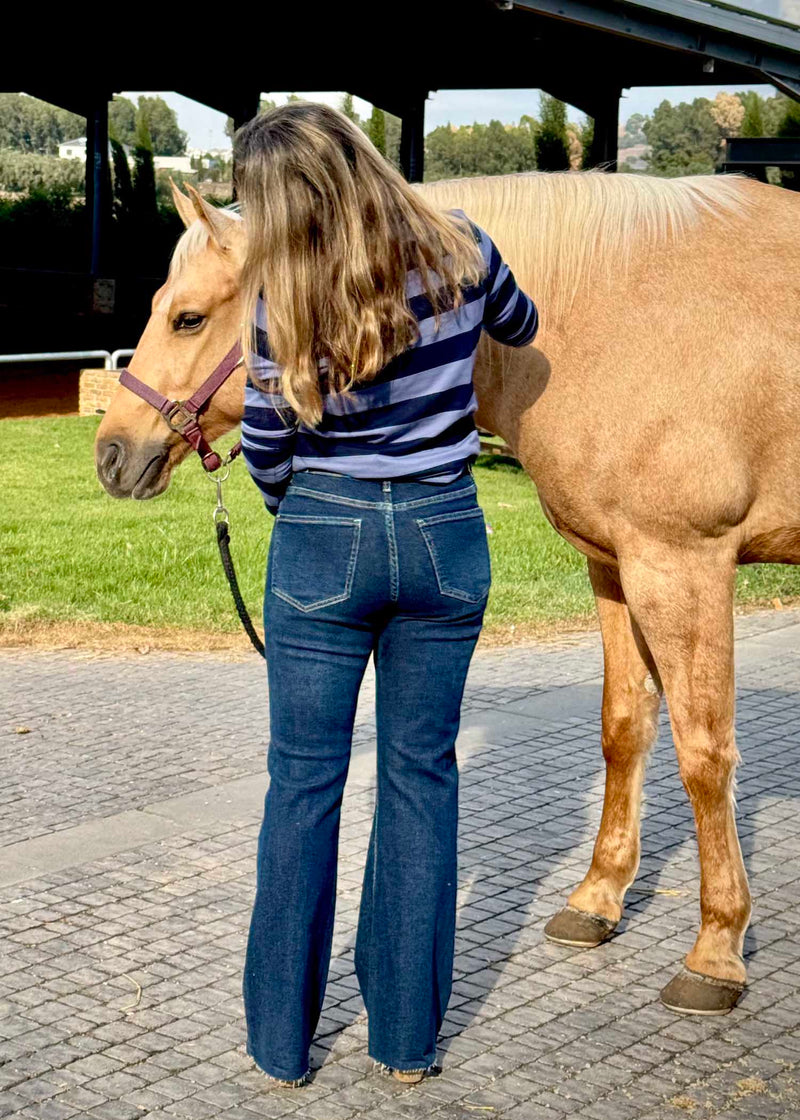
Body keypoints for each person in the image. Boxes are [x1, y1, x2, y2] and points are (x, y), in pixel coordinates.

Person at [234, 101, 538, 1089]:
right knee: (421, 780)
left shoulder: (279, 301)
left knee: (302, 785)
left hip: (322, 531)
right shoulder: (462, 250)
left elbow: (264, 449)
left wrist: (301, 513)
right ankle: (404, 1043)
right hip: (447, 532)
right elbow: (521, 325)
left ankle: (281, 1043)